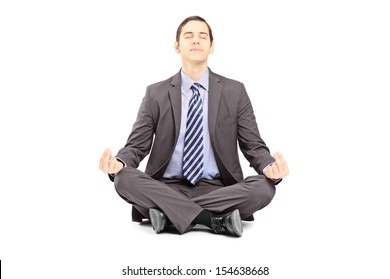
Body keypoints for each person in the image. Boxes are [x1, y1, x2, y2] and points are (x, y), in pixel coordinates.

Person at [99, 15, 289, 237]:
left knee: (264, 188)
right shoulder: (155, 93)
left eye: (203, 36)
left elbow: (253, 146)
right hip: (166, 186)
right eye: (189, 36)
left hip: (219, 189)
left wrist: (270, 168)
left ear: (212, 46)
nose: (196, 40)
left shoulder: (235, 91)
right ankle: (213, 219)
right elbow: (136, 145)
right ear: (177, 46)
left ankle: (169, 215)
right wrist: (119, 163)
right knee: (124, 179)